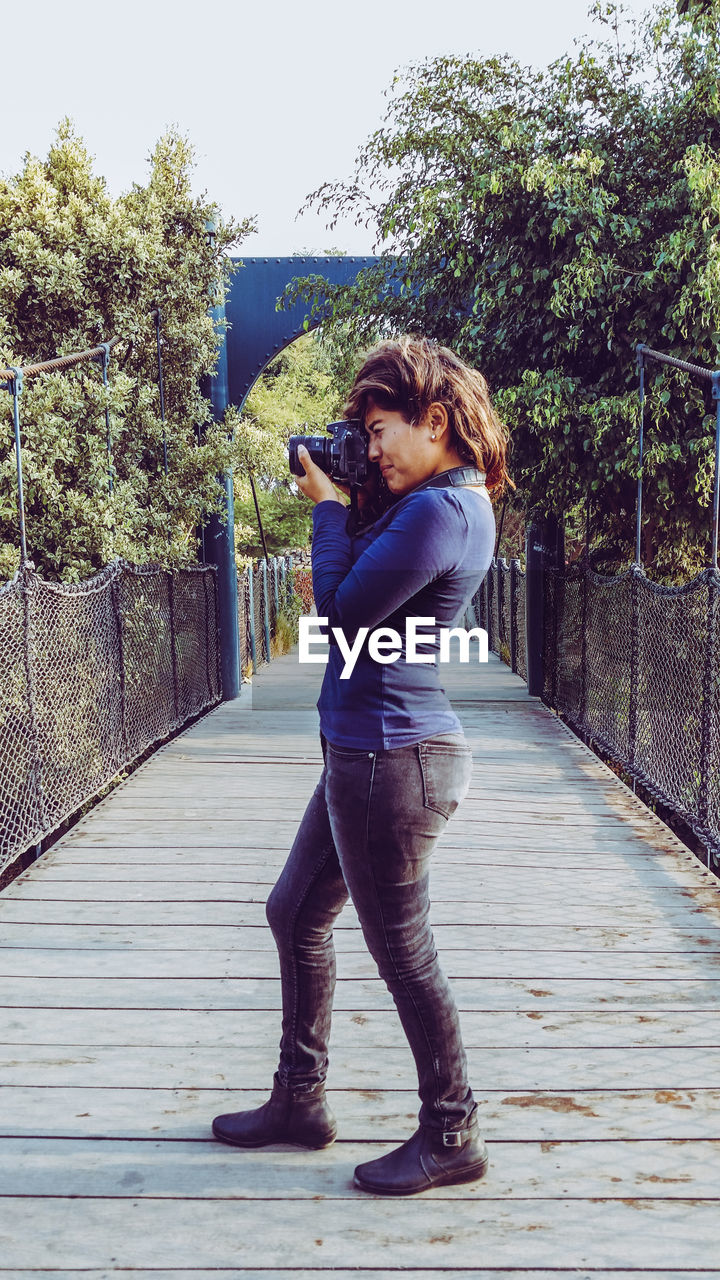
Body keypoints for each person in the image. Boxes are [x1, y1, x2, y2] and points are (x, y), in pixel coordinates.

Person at [212, 335, 512, 1195]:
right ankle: (299, 1100)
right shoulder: (435, 503)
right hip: (369, 750)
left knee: (404, 953)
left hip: (393, 759)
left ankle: (452, 1131)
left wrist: (327, 506)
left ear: (437, 421)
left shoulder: (443, 513)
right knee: (295, 911)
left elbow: (343, 614)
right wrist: (351, 495)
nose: (372, 449)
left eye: (382, 431)